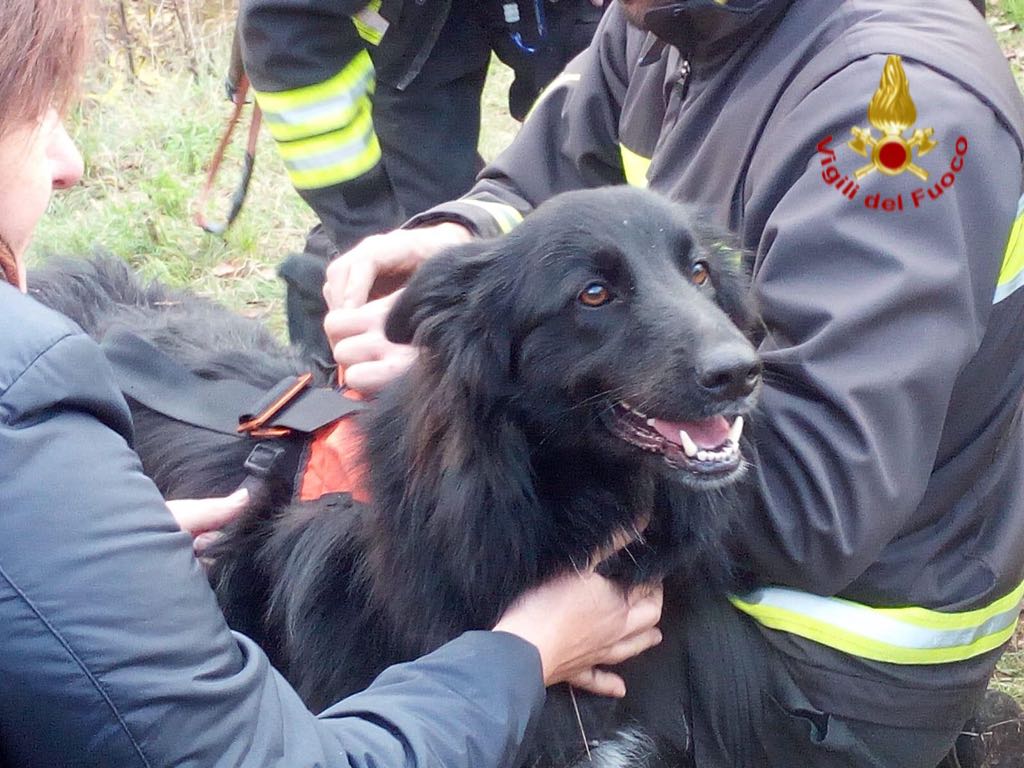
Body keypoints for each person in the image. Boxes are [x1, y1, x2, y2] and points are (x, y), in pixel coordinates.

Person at [321, 0, 1024, 765]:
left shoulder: (893, 102)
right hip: (700, 500)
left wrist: (475, 383)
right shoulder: (665, 17)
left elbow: (818, 500)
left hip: (834, 638)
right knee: (362, 572)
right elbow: (551, 174)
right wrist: (462, 234)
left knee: (454, 671)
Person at [0, 1, 666, 765]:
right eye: (39, 113)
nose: (71, 164)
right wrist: (526, 650)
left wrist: (83, 548)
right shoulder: (24, 396)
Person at [238, 0, 607, 358]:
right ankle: (336, 385)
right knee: (400, 246)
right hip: (412, 24)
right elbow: (285, 22)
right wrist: (370, 228)